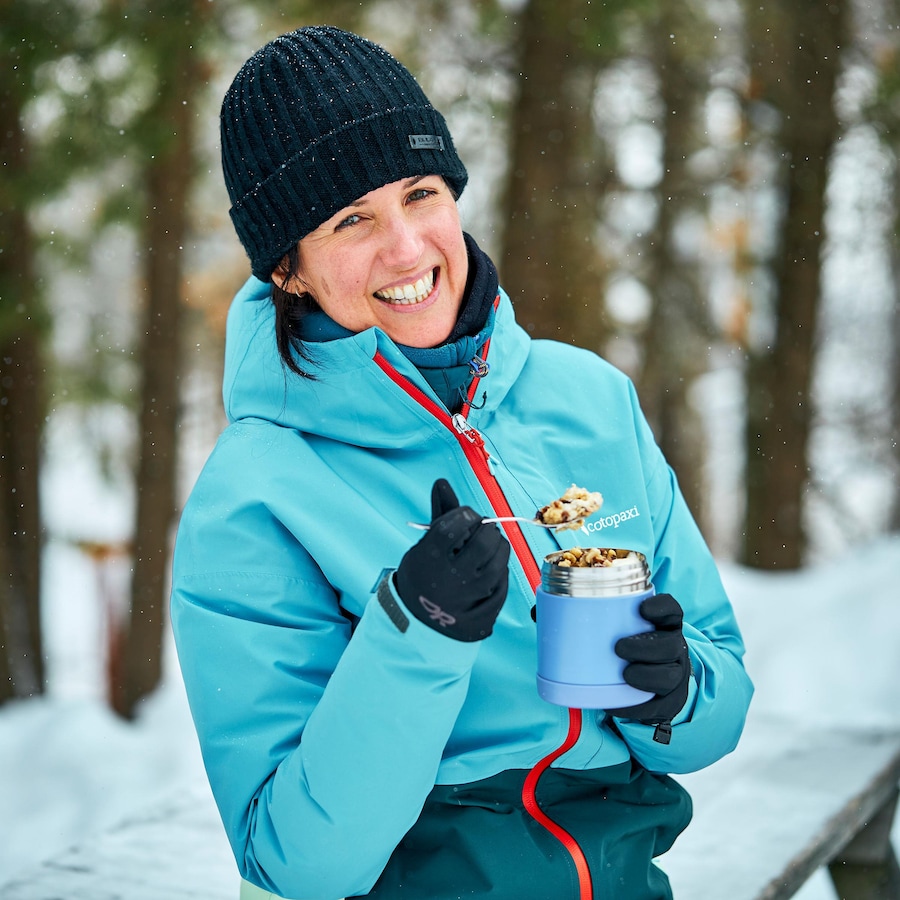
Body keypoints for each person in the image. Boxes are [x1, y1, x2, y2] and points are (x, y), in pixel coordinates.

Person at [170, 25, 753, 900]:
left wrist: (672, 694)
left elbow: (722, 702)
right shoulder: (256, 497)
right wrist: (416, 631)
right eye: (351, 219)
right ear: (288, 268)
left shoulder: (588, 399)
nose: (406, 249)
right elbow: (297, 861)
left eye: (421, 193)